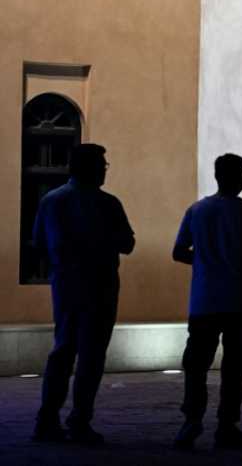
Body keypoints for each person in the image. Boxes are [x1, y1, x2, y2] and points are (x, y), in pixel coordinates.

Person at [31, 143, 135, 445]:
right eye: (102, 164)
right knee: (91, 357)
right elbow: (127, 243)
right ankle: (79, 421)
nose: (105, 169)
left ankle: (47, 420)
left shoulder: (51, 201)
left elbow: (39, 244)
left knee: (63, 351)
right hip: (101, 286)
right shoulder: (108, 204)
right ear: (88, 168)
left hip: (66, 285)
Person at [172, 154, 242, 451]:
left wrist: (204, 261)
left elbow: (178, 252)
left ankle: (191, 421)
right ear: (240, 178)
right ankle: (227, 426)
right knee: (235, 366)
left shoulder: (198, 211)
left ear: (217, 177)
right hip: (240, 300)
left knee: (196, 364)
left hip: (204, 300)